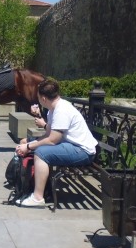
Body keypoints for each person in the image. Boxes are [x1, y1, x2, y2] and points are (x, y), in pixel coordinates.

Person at [13, 79, 97, 208]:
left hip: (82, 151)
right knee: (27, 141)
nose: (38, 100)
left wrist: (29, 147)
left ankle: (37, 197)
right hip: (69, 145)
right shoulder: (54, 109)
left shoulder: (61, 110)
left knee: (41, 154)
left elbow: (53, 140)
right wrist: (28, 144)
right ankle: (27, 184)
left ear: (44, 98)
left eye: (38, 98)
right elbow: (49, 133)